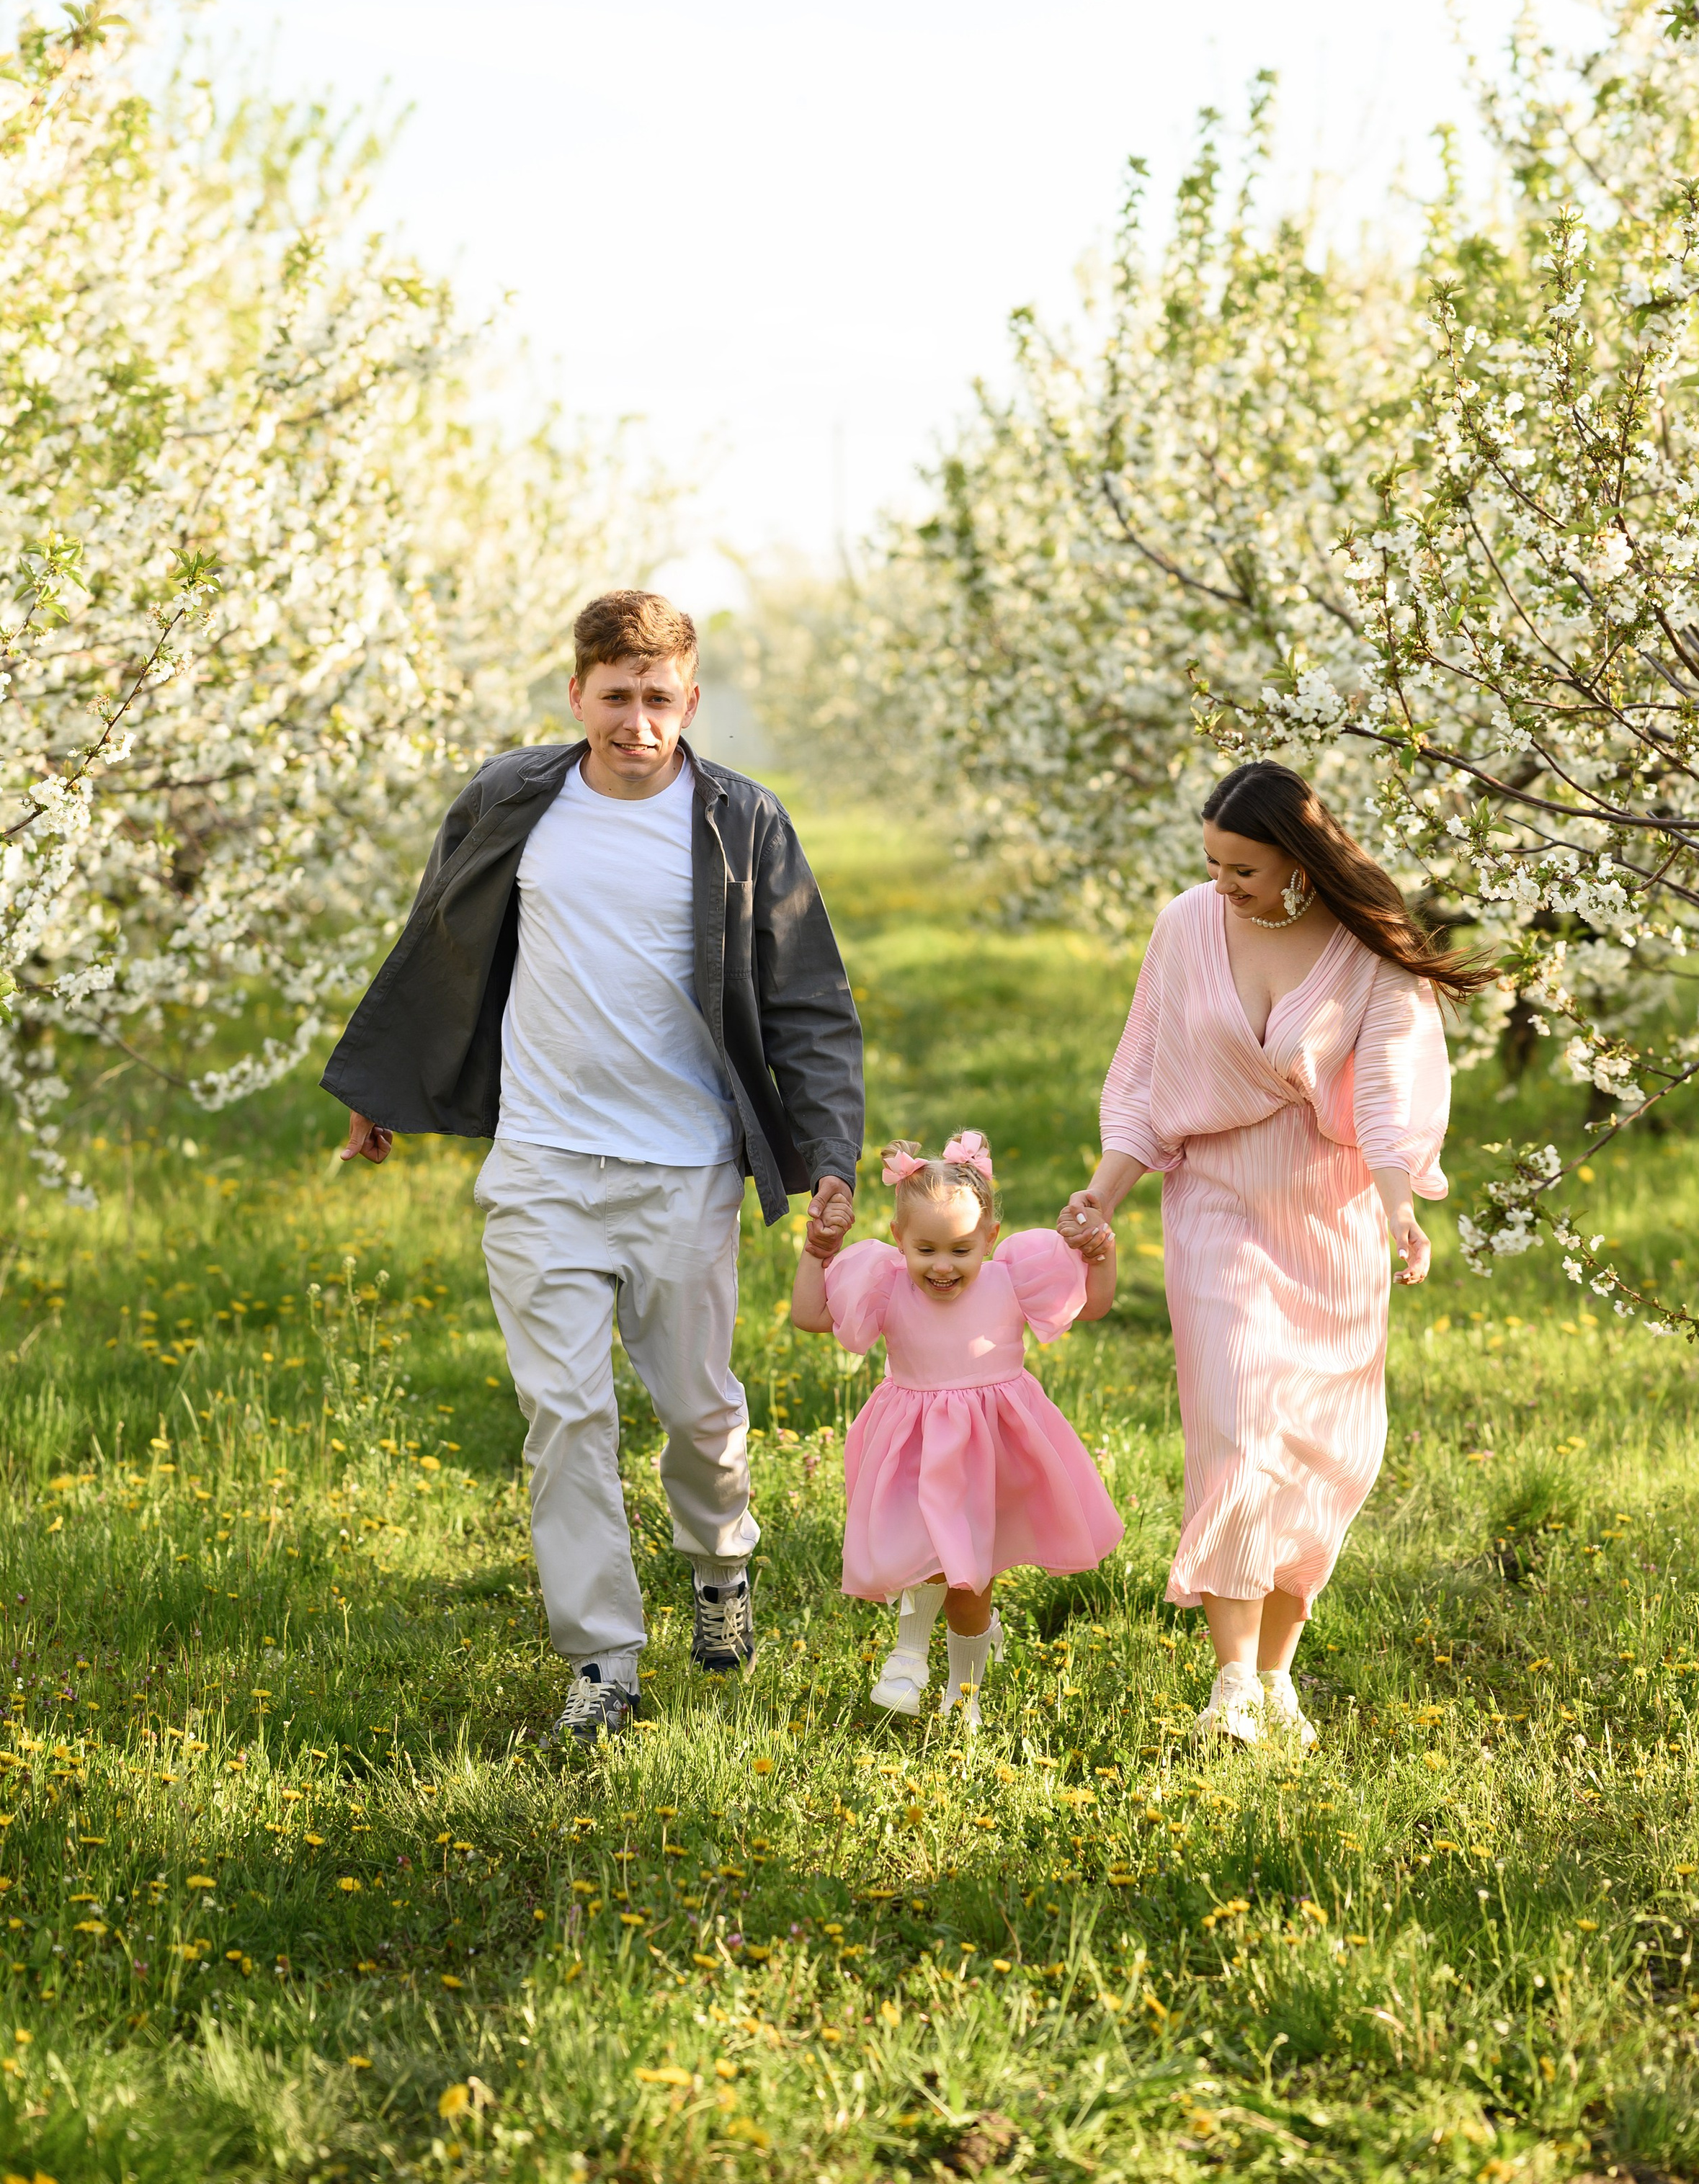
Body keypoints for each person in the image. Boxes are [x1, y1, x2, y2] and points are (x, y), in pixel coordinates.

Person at [321, 588, 863, 1744]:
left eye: (657, 698)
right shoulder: (514, 799)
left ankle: (720, 1570)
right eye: (613, 697)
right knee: (564, 1415)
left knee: (697, 1408)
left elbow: (807, 996)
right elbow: (438, 941)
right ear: (576, 695)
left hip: (684, 1169)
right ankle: (604, 1661)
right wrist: (382, 1088)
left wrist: (829, 1154)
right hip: (544, 1160)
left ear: (689, 701)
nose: (635, 721)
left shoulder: (742, 823)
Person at [1058, 761, 1493, 1747]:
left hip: (1330, 1217)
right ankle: (1230, 1687)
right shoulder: (1186, 926)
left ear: (1299, 862)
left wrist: (1400, 1212)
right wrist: (1104, 1194)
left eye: (1243, 869)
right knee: (1244, 1425)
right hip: (1216, 1203)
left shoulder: (1366, 952)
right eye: (1211, 862)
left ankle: (1277, 1676)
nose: (1222, 883)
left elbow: (1386, 1096)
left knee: (1323, 1454)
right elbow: (1143, 1070)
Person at [791, 1128, 1123, 1732]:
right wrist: (817, 1253)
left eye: (961, 1251)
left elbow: (1093, 1307)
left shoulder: (1013, 1277)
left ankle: (963, 1692)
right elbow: (809, 1315)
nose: (942, 1266)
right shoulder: (886, 1282)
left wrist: (1102, 1258)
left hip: (990, 1451)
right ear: (898, 1240)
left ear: (990, 1239)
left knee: (970, 1587)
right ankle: (909, 1656)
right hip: (915, 1448)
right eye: (926, 1250)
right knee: (925, 1556)